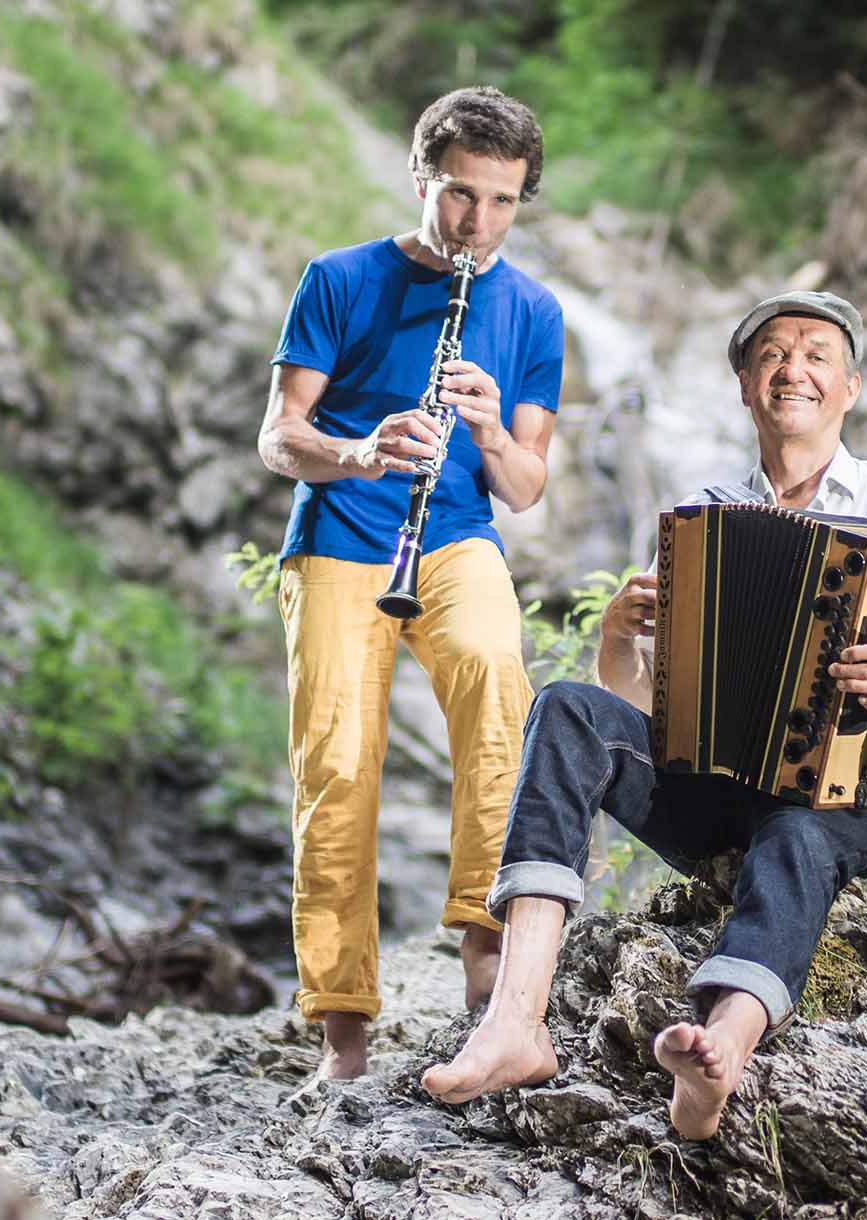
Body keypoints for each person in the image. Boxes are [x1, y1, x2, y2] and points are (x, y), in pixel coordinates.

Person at [421, 291, 867, 1139]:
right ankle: (515, 1018)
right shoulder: (702, 516)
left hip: (845, 798)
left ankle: (718, 1057)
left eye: (817, 354)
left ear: (850, 387)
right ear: (746, 385)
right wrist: (615, 637)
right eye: (773, 354)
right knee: (567, 707)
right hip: (712, 793)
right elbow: (640, 708)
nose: (796, 369)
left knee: (799, 831)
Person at [256, 87, 564, 1080]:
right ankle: (343, 1028)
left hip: (458, 536)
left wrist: (484, 429)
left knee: (494, 682)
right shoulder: (339, 278)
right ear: (420, 176)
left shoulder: (533, 312)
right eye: (460, 195)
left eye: (504, 202)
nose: (479, 223)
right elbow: (278, 435)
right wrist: (358, 450)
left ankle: (486, 956)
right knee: (337, 766)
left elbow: (524, 484)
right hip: (341, 537)